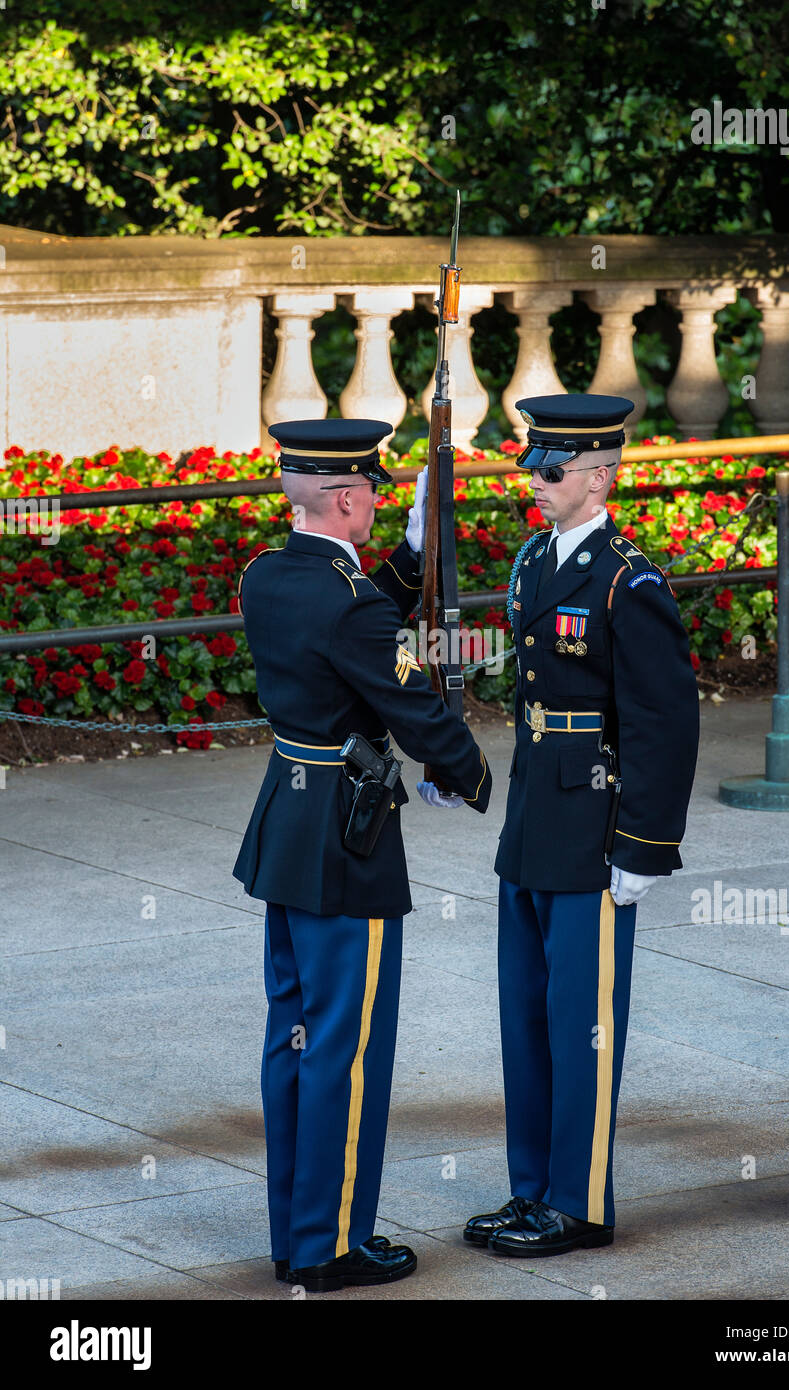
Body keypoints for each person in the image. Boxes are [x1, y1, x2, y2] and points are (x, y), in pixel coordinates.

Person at [233, 417, 491, 1292]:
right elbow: (402, 691)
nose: (379, 503)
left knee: (293, 1036)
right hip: (348, 838)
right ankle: (332, 1244)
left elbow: (348, 617)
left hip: (285, 824)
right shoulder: (350, 605)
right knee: (346, 1045)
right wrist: (467, 769)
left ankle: (293, 1233)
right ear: (345, 498)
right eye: (374, 495)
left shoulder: (265, 576)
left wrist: (414, 551)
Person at [464, 393, 699, 1257]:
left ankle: (579, 1202)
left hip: (595, 819)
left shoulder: (627, 579)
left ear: (599, 478)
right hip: (535, 815)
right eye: (535, 466)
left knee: (582, 1020)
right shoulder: (533, 560)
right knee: (525, 1016)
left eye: (552, 471)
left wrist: (644, 845)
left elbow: (663, 722)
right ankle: (531, 1191)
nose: (537, 482)